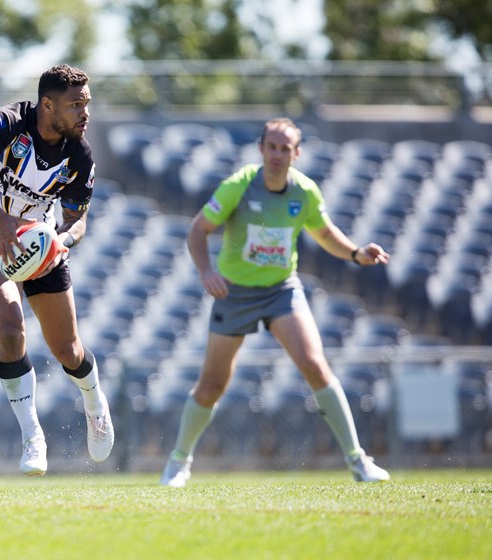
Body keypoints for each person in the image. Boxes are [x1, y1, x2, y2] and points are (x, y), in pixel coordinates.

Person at [160, 117, 391, 487]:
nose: (277, 154)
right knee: (212, 384)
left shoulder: (305, 191)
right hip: (234, 293)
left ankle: (358, 461)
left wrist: (355, 253)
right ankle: (178, 463)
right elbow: (198, 229)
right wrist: (206, 272)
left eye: (286, 148)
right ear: (261, 149)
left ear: (296, 154)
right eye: (272, 147)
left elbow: (324, 233)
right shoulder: (239, 185)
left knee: (315, 365)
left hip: (281, 290)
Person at [0, 64, 114, 476]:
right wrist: (0, 220)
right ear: (47, 105)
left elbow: (77, 219)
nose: (85, 113)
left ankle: (95, 403)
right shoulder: (7, 123)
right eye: (75, 105)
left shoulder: (80, 154)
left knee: (67, 351)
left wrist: (61, 242)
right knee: (11, 328)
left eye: (87, 103)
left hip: (41, 247)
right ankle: (32, 436)